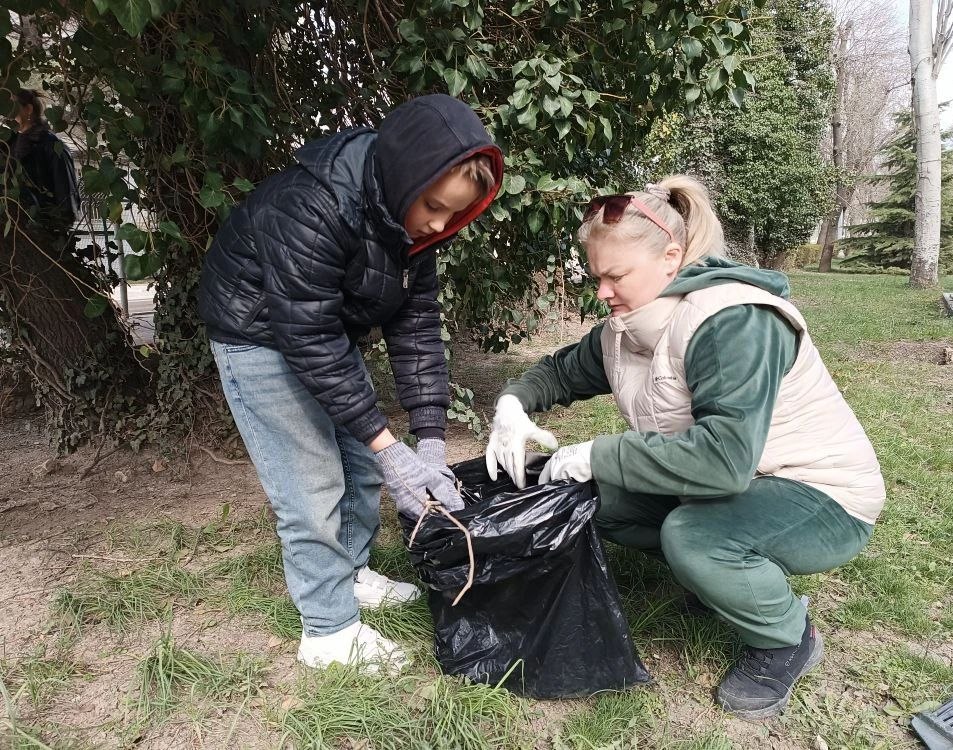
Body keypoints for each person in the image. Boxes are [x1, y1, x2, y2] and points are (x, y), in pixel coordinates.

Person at [486, 176, 885, 720]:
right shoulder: (626, 327)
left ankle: (787, 637)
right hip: (739, 484)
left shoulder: (734, 322)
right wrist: (513, 405)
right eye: (597, 276)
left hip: (821, 494)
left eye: (616, 276)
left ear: (671, 258)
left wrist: (595, 453)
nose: (602, 292)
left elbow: (723, 462)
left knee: (691, 536)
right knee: (595, 499)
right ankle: (719, 578)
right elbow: (560, 372)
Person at [198, 94, 503, 672]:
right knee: (310, 484)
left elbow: (416, 325)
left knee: (361, 466)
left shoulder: (411, 226)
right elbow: (305, 334)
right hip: (257, 331)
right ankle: (328, 632)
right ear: (405, 175)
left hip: (322, 331)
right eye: (434, 206)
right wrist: (390, 448)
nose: (440, 224)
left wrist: (429, 443)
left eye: (453, 213)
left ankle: (353, 572)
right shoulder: (312, 203)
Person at [4, 88, 80, 230]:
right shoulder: (8, 146)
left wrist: (54, 229)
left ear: (28, 109)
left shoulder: (52, 146)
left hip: (44, 231)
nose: (7, 113)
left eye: (12, 106)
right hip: (16, 229)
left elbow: (66, 198)